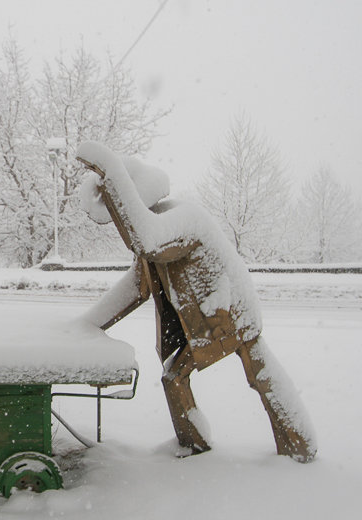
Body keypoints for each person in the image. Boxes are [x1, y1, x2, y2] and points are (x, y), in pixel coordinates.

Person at [75, 140, 316, 463]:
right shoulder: (161, 227)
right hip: (215, 315)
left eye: (118, 202)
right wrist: (85, 326)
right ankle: (203, 446)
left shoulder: (182, 218)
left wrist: (109, 168)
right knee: (188, 377)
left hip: (227, 314)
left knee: (257, 377)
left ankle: (292, 448)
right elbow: (136, 288)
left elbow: (147, 241)